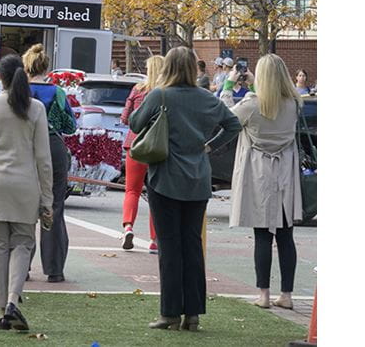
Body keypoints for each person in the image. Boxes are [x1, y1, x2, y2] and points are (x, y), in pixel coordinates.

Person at [128, 46, 241, 331]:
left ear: (168, 67)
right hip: (198, 179)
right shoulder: (206, 98)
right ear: (193, 67)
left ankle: (169, 313)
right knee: (193, 247)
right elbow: (233, 125)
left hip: (165, 178)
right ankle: (193, 314)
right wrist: (209, 146)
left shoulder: (160, 95)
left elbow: (135, 122)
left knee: (169, 247)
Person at [0, 55, 53, 332]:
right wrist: (47, 198)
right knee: (23, 244)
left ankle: (2, 306)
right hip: (25, 187)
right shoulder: (36, 109)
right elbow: (43, 159)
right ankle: (14, 300)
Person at [220, 54, 303, 311]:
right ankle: (286, 294)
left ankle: (264, 294)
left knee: (262, 236)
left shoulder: (251, 105)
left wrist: (227, 87)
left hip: (258, 172)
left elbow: (225, 117)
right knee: (286, 235)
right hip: (285, 173)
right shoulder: (294, 104)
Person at [22, 44, 76, 283]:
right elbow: (71, 127)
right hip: (54, 147)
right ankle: (55, 269)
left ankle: (22, 266)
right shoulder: (58, 92)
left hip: (26, 147)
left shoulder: (20, 91)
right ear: (46, 67)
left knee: (24, 207)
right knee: (54, 206)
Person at [119, 55, 165, 253]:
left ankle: (128, 226)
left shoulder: (137, 89)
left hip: (135, 145)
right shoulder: (166, 92)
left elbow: (125, 118)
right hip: (158, 147)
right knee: (157, 193)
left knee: (132, 190)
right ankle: (155, 240)